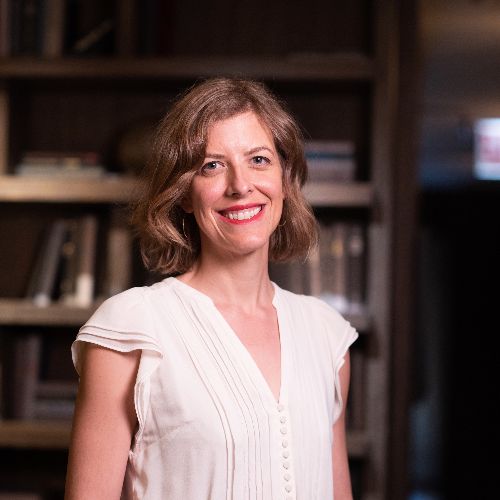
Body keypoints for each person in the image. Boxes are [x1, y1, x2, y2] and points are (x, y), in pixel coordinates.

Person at [65, 77, 358, 500]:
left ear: (284, 177)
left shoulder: (328, 335)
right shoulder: (132, 327)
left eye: (259, 159)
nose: (241, 185)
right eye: (212, 165)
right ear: (185, 193)